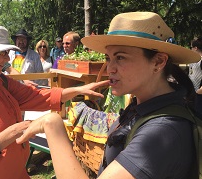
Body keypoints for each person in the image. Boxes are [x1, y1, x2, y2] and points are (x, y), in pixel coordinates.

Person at [17, 12, 201, 179]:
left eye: (120, 57)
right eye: (108, 58)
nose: (110, 68)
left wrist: (52, 126)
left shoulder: (163, 130)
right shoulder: (144, 105)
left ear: (158, 62)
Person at [0, 24, 106, 179]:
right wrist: (14, 132)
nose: (7, 60)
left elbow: (34, 96)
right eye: (2, 53)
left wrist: (76, 90)